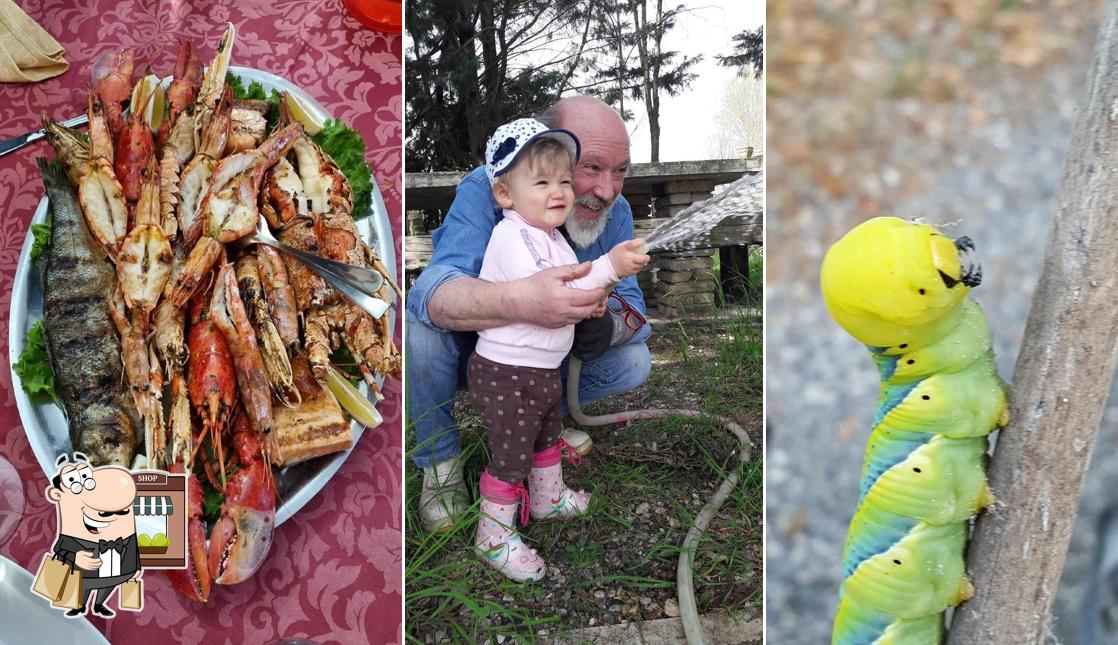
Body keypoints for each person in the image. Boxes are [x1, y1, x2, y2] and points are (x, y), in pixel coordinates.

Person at [408, 96, 652, 532]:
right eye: (592, 167)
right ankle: (441, 462)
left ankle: (545, 427)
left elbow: (634, 307)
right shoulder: (489, 188)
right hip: (488, 358)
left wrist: (608, 326)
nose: (608, 190)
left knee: (634, 361)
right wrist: (521, 301)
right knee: (421, 334)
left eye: (621, 171)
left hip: (545, 363)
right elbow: (430, 294)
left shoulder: (615, 211)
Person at [468, 118, 648, 581]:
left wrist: (598, 301)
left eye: (565, 181)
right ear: (505, 194)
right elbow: (557, 289)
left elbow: (577, 282)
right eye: (543, 182)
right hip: (506, 372)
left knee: (546, 437)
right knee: (511, 455)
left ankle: (548, 499)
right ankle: (492, 536)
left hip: (541, 369)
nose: (560, 192)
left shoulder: (553, 240)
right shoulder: (510, 238)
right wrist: (609, 267)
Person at [45, 453, 142, 617]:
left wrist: (135, 568)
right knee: (85, 584)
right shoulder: (74, 529)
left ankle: (99, 604)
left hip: (114, 568)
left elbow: (131, 544)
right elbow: (61, 547)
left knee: (109, 584)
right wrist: (75, 558)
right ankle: (79, 605)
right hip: (86, 569)